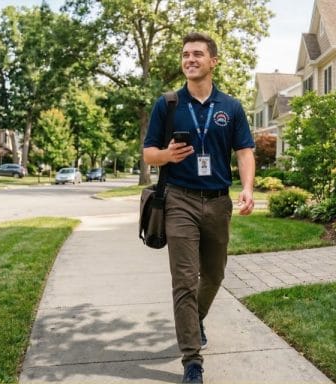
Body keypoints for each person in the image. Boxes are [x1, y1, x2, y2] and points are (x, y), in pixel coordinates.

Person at [143, 31, 255, 384]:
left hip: (219, 202)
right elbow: (148, 154)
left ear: (213, 61)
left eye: (197, 54)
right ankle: (192, 360)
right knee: (184, 281)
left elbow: (244, 151)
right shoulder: (168, 104)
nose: (189, 59)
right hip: (179, 200)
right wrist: (167, 155)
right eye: (185, 54)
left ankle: (195, 319)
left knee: (215, 274)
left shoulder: (231, 107)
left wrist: (247, 188)